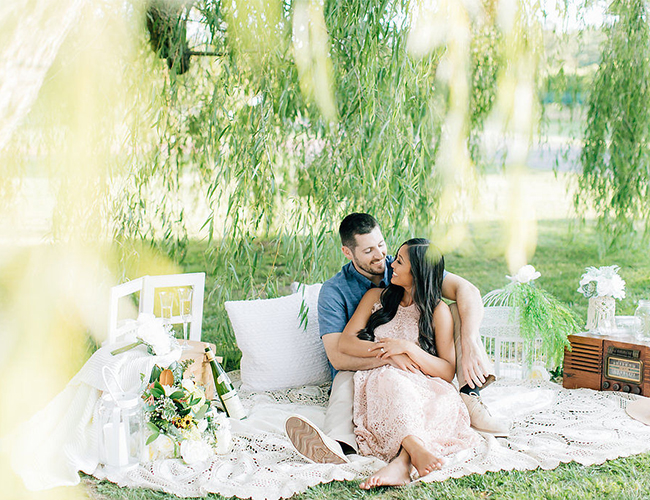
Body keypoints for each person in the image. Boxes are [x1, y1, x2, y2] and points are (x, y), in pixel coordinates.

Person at [285, 213, 508, 466]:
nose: (382, 257)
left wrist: (469, 342)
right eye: (369, 250)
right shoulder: (337, 290)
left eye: (381, 245)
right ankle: (338, 445)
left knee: (460, 312)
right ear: (348, 252)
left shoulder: (408, 264)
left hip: (413, 367)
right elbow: (338, 355)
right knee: (348, 387)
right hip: (359, 363)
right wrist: (391, 358)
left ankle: (470, 391)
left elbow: (467, 290)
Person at [339, 238, 482, 487]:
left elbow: (447, 371)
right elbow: (346, 343)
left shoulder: (437, 311)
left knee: (439, 401)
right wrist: (390, 354)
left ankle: (403, 463)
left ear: (416, 272)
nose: (391, 264)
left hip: (426, 385)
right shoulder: (376, 297)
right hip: (384, 380)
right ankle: (414, 453)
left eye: (399, 261)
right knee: (395, 383)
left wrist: (407, 348)